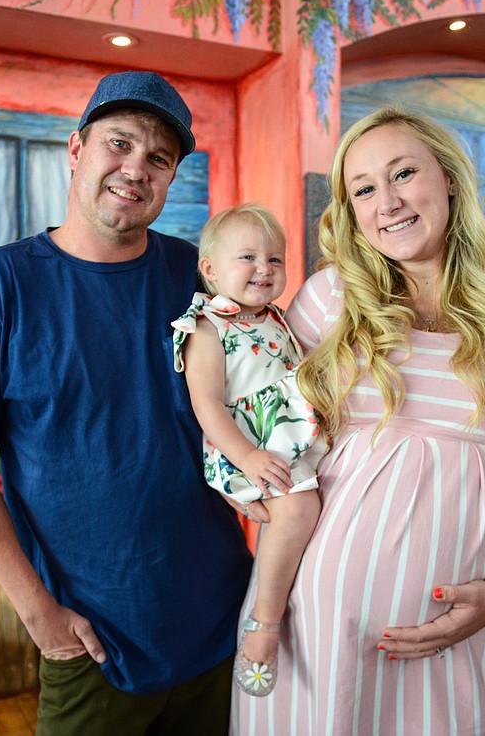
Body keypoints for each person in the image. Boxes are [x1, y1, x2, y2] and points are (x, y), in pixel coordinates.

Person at [232, 107, 485, 734]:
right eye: (364, 189)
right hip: (315, 622)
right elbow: (260, 431)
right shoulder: (327, 300)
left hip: (466, 631)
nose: (388, 201)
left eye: (404, 173)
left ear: (450, 179)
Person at [0, 71, 253, 735]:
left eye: (159, 158)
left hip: (222, 627)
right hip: (95, 647)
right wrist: (39, 614)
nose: (136, 169)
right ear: (76, 148)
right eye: (119, 144)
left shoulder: (198, 276)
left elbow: (267, 403)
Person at [171, 203, 323, 698]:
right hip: (248, 443)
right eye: (249, 258)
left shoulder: (276, 317)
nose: (264, 269)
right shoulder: (207, 327)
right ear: (211, 270)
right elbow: (208, 405)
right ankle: (265, 623)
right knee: (298, 509)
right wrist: (247, 458)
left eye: (275, 260)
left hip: (287, 433)